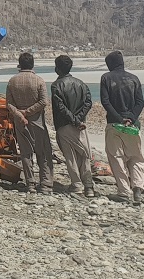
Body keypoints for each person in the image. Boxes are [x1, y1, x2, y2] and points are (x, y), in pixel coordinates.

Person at [100, 50, 144, 204]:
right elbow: (140, 102)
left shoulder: (106, 78)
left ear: (109, 64)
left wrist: (119, 118)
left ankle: (124, 192)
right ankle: (137, 189)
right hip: (133, 126)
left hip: (114, 124)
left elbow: (106, 102)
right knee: (136, 157)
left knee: (116, 157)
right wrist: (131, 118)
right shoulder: (134, 79)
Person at [6, 52, 54, 193]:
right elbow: (43, 101)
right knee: (43, 151)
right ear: (32, 64)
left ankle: (30, 183)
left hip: (20, 122)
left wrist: (20, 115)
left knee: (25, 153)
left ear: (19, 65)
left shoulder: (12, 81)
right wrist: (28, 112)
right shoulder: (39, 81)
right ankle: (45, 183)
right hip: (37, 120)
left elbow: (9, 104)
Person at [51, 55, 95, 197]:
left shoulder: (56, 85)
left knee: (70, 156)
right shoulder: (81, 84)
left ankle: (76, 185)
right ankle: (88, 186)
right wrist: (79, 119)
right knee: (84, 155)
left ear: (58, 68)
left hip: (64, 125)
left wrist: (74, 120)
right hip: (81, 126)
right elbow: (88, 103)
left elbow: (60, 107)